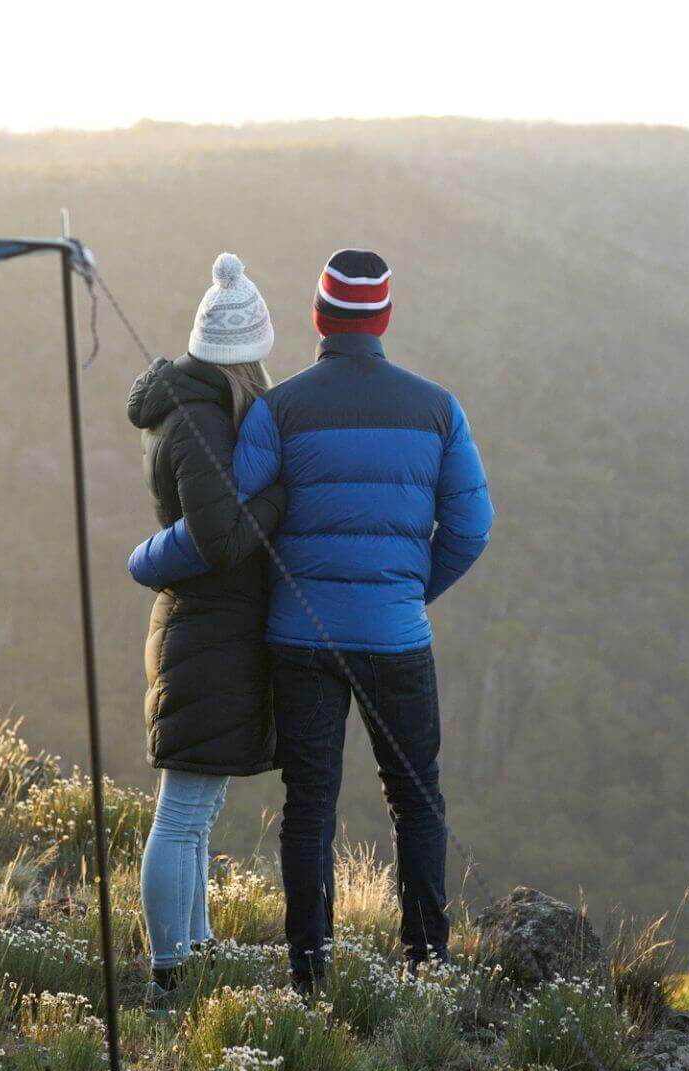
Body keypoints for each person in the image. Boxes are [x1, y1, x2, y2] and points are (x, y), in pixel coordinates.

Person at [134, 248, 493, 992]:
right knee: (416, 799)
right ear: (385, 318)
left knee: (310, 806)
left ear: (319, 317)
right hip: (396, 638)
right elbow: (470, 527)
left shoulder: (279, 409)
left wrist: (146, 558)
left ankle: (309, 972)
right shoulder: (438, 408)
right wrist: (401, 591)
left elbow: (231, 520)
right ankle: (427, 961)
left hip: (301, 636)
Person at [124, 252, 288, 1006]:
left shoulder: (185, 408)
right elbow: (219, 538)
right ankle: (168, 974)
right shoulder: (198, 418)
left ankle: (195, 955)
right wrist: (280, 500)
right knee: (184, 813)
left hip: (203, 626)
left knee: (196, 815)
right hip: (207, 630)